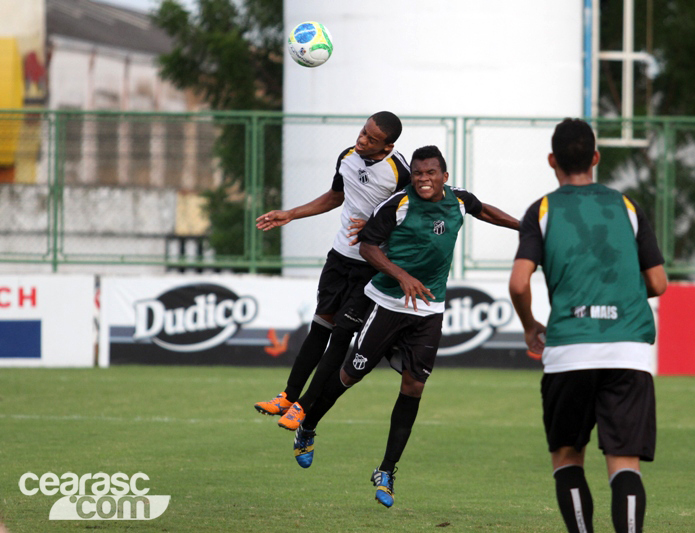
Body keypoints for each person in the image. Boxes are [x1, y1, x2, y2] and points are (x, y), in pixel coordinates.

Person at [290, 145, 520, 508]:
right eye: (417, 174)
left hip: (430, 310)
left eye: (430, 173)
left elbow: (484, 210)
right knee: (350, 375)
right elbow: (367, 247)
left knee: (413, 387)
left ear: (444, 175)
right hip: (387, 303)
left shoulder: (459, 200)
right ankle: (308, 425)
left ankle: (386, 470)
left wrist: (524, 228)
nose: (423, 180)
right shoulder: (399, 204)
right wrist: (402, 276)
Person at [508, 118, 667, 533]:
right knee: (624, 463)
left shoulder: (541, 210)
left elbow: (519, 282)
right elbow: (658, 282)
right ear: (595, 158)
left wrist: (529, 326)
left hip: (569, 351)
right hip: (629, 350)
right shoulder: (627, 206)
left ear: (551, 161)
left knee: (567, 457)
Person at [254, 111, 410, 431]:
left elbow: (411, 216)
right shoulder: (347, 157)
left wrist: (376, 226)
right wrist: (291, 214)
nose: (361, 140)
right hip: (340, 258)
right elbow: (335, 197)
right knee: (320, 327)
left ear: (387, 146)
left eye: (371, 139)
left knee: (341, 335)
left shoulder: (400, 172)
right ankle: (288, 395)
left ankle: (304, 406)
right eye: (363, 132)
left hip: (372, 265)